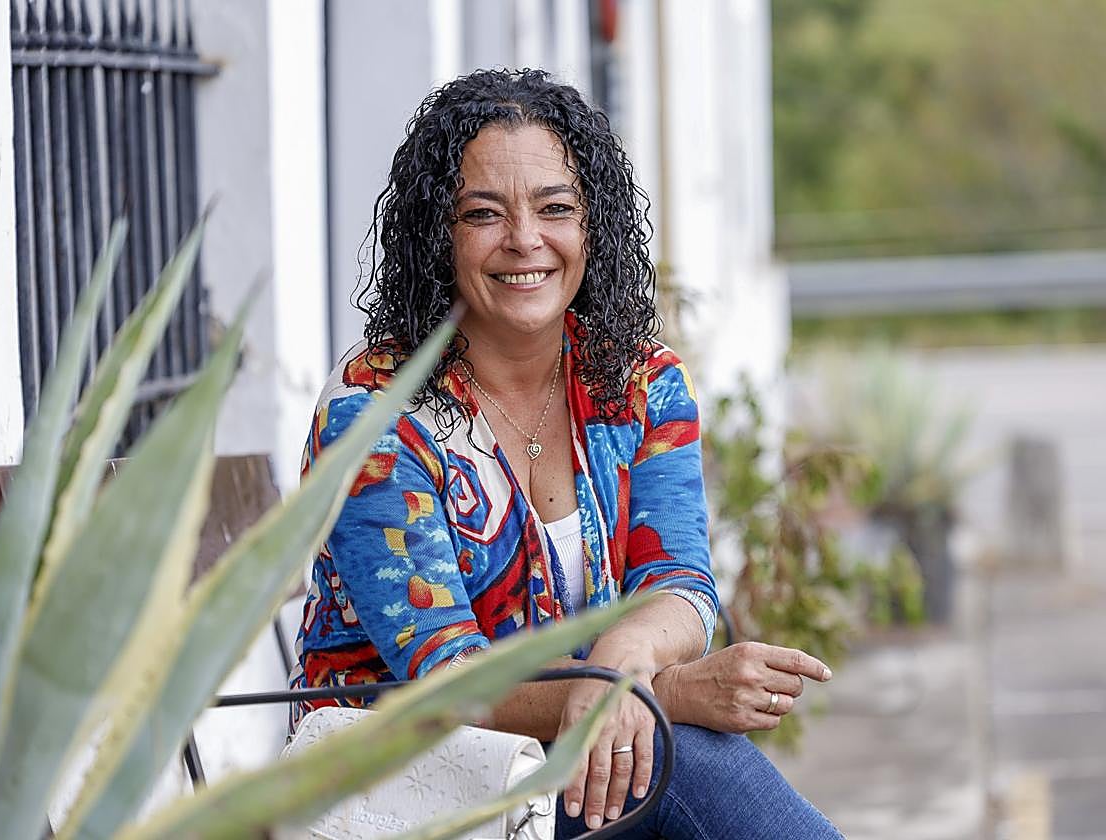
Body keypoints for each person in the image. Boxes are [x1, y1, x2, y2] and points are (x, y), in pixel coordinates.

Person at [289, 68, 843, 839]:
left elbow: (679, 579)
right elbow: (448, 685)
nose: (525, 240)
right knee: (688, 755)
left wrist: (624, 658)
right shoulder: (375, 416)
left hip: (572, 766)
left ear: (594, 226)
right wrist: (662, 693)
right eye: (483, 213)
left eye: (556, 209)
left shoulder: (640, 381)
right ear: (436, 237)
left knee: (680, 760)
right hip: (409, 785)